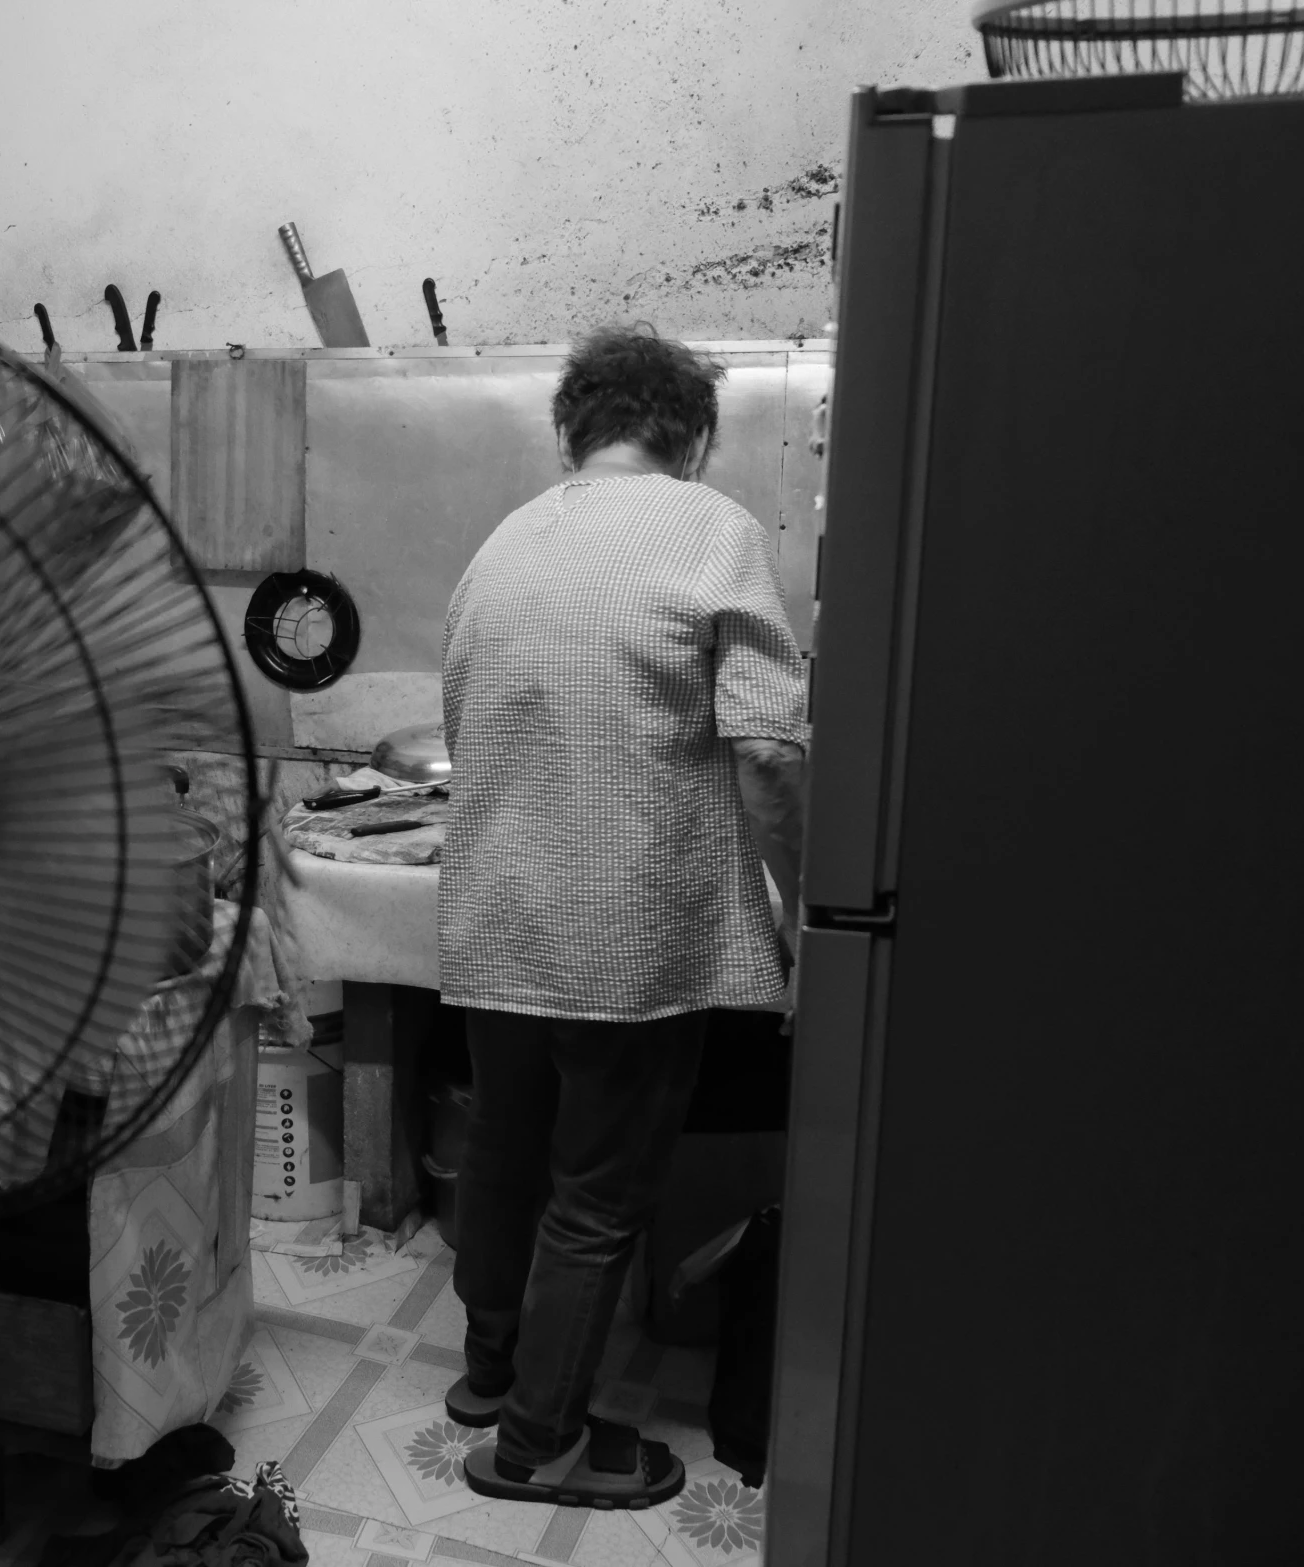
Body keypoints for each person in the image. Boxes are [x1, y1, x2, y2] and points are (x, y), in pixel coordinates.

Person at [441, 326, 808, 1508]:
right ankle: (535, 1443)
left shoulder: (500, 543)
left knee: (502, 1151)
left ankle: (491, 1373)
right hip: (625, 931)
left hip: (496, 916)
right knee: (595, 1192)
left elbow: (465, 728)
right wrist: (799, 903)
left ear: (571, 430)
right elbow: (763, 749)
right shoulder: (711, 529)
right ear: (690, 434)